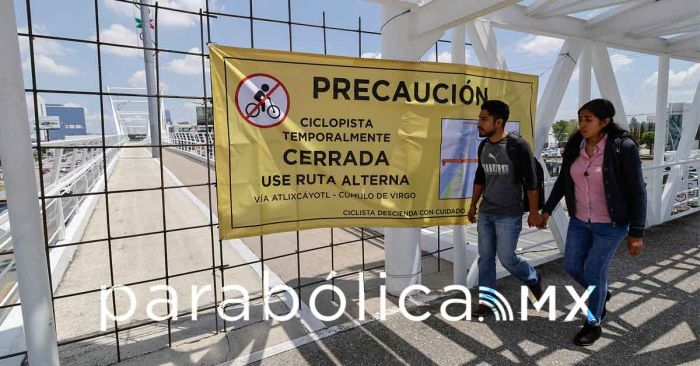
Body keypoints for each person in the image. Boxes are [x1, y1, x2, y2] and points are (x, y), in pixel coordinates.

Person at [538, 99, 646, 346]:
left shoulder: (623, 147)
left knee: (595, 271)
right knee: (572, 266)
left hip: (611, 224)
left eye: (588, 120)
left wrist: (636, 232)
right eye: (581, 119)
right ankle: (601, 292)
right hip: (580, 220)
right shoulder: (576, 144)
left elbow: (638, 191)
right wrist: (547, 210)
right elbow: (564, 181)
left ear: (604, 122)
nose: (582, 124)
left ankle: (593, 323)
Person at [468, 100, 544, 318]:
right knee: (485, 257)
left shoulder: (517, 145)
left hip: (509, 214)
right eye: (479, 118)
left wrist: (534, 211)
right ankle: (487, 301)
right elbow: (480, 177)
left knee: (507, 258)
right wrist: (473, 204)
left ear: (498, 122)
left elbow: (531, 181)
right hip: (486, 212)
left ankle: (533, 277)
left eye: (484, 119)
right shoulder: (484, 146)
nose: (478, 123)